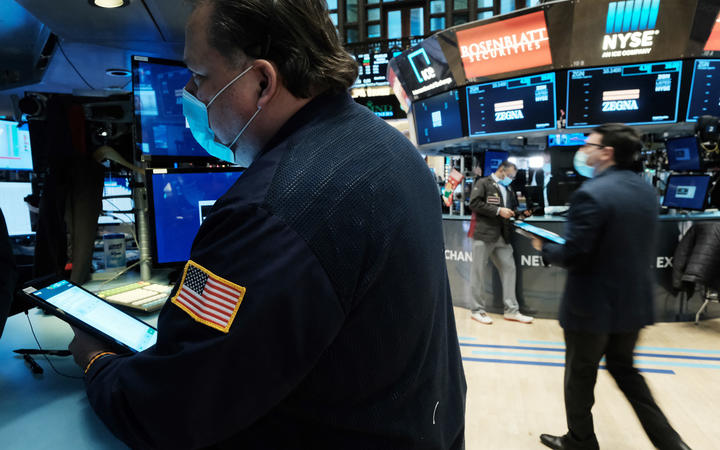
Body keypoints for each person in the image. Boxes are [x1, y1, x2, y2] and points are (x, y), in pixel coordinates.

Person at [68, 1, 467, 448]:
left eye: (199, 75)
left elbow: (174, 407)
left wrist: (96, 360)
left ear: (261, 80)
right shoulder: (390, 148)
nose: (190, 91)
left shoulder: (268, 211)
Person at [533, 124, 690, 450]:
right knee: (627, 374)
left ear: (606, 152)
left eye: (588, 145)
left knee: (580, 377)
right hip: (632, 305)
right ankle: (673, 445)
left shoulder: (590, 193)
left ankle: (581, 442)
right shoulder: (646, 191)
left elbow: (575, 254)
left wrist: (544, 248)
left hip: (591, 308)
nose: (583, 150)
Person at [468, 160, 533, 324]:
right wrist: (498, 210)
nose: (511, 178)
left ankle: (511, 310)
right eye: (510, 174)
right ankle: (477, 310)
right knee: (478, 273)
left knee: (510, 269)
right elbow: (474, 203)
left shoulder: (509, 188)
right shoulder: (483, 183)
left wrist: (521, 214)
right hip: (483, 235)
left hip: (502, 237)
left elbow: (510, 210)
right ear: (501, 170)